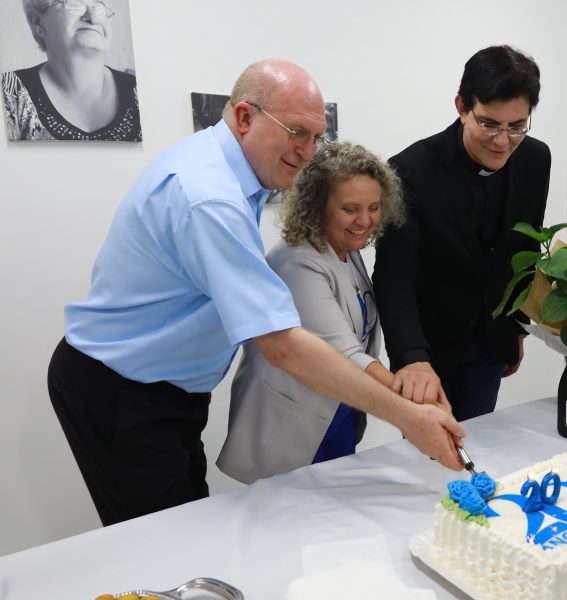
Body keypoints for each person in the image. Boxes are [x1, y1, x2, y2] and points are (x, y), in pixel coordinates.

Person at [47, 59, 465, 526]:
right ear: (245, 117)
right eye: (296, 133)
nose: (308, 153)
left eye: (315, 137)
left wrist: (196, 382)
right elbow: (283, 345)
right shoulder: (210, 197)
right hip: (121, 389)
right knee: (161, 542)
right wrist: (407, 417)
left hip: (165, 389)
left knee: (185, 523)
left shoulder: (233, 177)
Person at [217, 142, 451, 482]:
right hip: (291, 424)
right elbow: (346, 355)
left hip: (337, 413)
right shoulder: (297, 261)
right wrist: (417, 406)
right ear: (317, 206)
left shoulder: (345, 248)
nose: (365, 220)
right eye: (350, 209)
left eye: (373, 207)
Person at [372, 45, 551, 422]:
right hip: (429, 352)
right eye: (488, 123)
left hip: (490, 346)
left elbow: (525, 251)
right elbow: (394, 278)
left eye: (517, 126)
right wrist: (411, 358)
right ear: (461, 106)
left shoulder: (535, 159)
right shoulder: (410, 170)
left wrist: (516, 328)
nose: (503, 141)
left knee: (479, 449)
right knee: (430, 461)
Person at [1, 0, 141, 141]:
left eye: (100, 7)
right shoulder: (7, 92)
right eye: (75, 4)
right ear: (37, 22)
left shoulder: (142, 90)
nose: (93, 18)